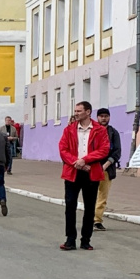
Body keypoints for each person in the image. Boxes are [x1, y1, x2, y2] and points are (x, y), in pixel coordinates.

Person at [58, 101, 110, 251]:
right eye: (75, 110)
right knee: (70, 206)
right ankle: (70, 240)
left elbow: (104, 150)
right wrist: (77, 162)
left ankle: (86, 240)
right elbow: (63, 149)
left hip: (91, 172)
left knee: (89, 207)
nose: (76, 113)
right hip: (72, 172)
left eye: (79, 110)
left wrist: (85, 160)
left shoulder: (99, 130)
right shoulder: (69, 130)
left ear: (88, 112)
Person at [93, 108, 121, 232]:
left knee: (102, 196)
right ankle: (89, 219)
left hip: (106, 169)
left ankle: (97, 221)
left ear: (109, 117)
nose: (103, 118)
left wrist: (105, 165)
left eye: (106, 116)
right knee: (90, 195)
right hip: (91, 168)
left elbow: (117, 152)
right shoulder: (92, 131)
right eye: (101, 116)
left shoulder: (113, 133)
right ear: (97, 117)